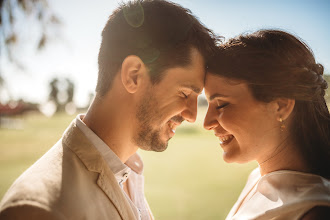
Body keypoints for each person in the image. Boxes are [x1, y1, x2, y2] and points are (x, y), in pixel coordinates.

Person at [0, 1, 218, 219]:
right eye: (184, 94)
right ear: (134, 75)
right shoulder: (38, 210)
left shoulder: (128, 172)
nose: (192, 116)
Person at [204, 30, 330, 219]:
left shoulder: (315, 212)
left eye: (222, 104)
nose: (207, 123)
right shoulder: (258, 178)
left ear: (281, 106)